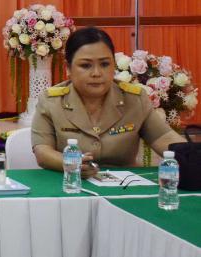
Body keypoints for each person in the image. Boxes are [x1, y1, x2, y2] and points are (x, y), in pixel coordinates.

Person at [32, 26, 185, 176]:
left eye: (105, 64)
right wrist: (71, 163)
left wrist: (192, 156)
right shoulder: (51, 101)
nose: (96, 73)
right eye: (85, 65)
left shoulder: (134, 99)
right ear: (68, 68)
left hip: (124, 186)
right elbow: (42, 151)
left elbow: (165, 139)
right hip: (71, 183)